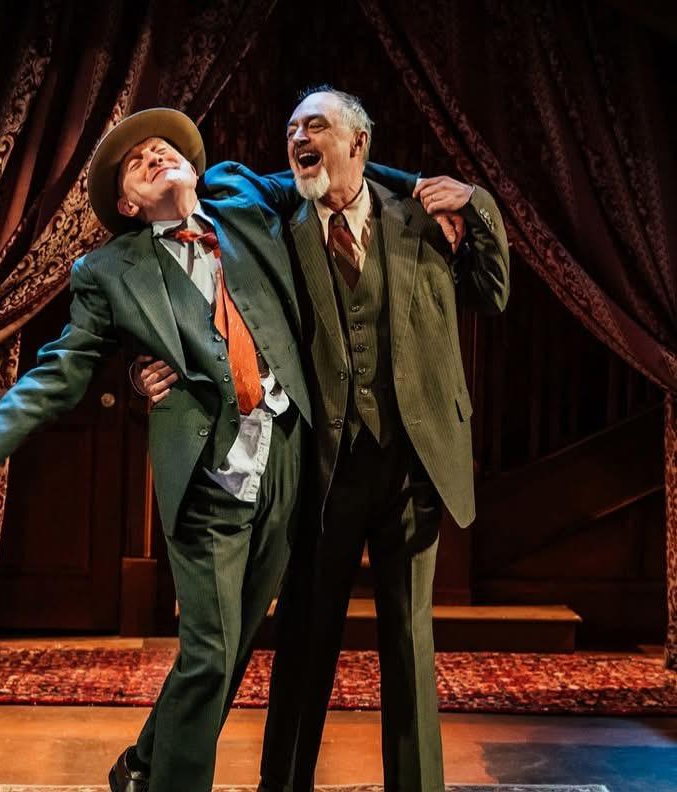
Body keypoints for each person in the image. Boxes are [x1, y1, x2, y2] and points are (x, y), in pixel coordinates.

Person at [0, 108, 313, 792]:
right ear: (127, 205)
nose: (154, 157)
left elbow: (334, 177)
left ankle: (143, 764)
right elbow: (59, 372)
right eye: (137, 162)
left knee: (233, 647)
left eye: (163, 149)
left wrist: (423, 188)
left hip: (286, 456)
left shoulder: (245, 206)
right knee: (210, 651)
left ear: (194, 168)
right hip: (208, 476)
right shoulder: (109, 270)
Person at [145, 87, 510, 792]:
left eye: (316, 126)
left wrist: (476, 202)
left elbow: (492, 293)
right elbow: (222, 197)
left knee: (410, 643)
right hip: (320, 472)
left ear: (359, 141)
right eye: (291, 129)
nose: (298, 138)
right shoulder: (275, 228)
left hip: (412, 467)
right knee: (306, 643)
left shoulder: (422, 220)